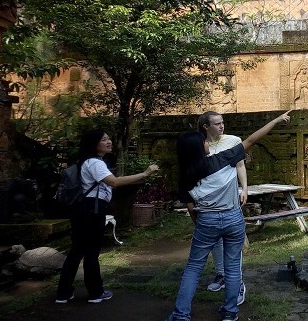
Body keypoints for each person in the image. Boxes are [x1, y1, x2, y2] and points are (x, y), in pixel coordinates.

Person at [167, 110, 292, 321]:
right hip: (233, 217)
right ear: (199, 147)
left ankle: (181, 315)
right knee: (233, 267)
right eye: (203, 142)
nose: (207, 143)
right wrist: (276, 121)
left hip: (206, 219)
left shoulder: (185, 175)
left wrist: (201, 224)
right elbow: (253, 138)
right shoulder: (223, 158)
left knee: (193, 268)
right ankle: (230, 313)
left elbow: (190, 207)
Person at [55, 129, 159, 304]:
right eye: (104, 139)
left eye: (109, 138)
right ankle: (96, 293)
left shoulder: (86, 162)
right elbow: (115, 182)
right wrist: (145, 173)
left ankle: (63, 293)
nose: (109, 141)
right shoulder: (95, 163)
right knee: (91, 252)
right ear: (94, 144)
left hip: (82, 208)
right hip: (92, 209)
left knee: (77, 251)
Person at [196, 111, 247, 304]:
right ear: (205, 127)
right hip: (209, 204)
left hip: (230, 201)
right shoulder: (199, 145)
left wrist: (244, 189)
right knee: (214, 241)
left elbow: (240, 166)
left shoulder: (233, 141)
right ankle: (221, 274)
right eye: (217, 124)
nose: (221, 126)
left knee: (233, 243)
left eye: (222, 123)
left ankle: (238, 282)